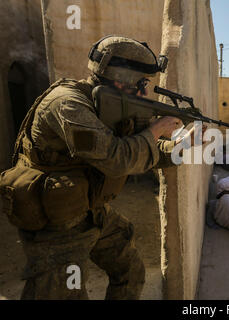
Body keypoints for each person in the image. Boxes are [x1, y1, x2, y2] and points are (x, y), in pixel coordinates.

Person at [5, 36, 199, 300]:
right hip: (54, 222)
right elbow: (116, 158)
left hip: (88, 209)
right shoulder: (68, 104)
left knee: (130, 270)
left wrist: (182, 146)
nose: (144, 91)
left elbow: (142, 150)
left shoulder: (116, 105)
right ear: (122, 78)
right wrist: (156, 131)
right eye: (142, 83)